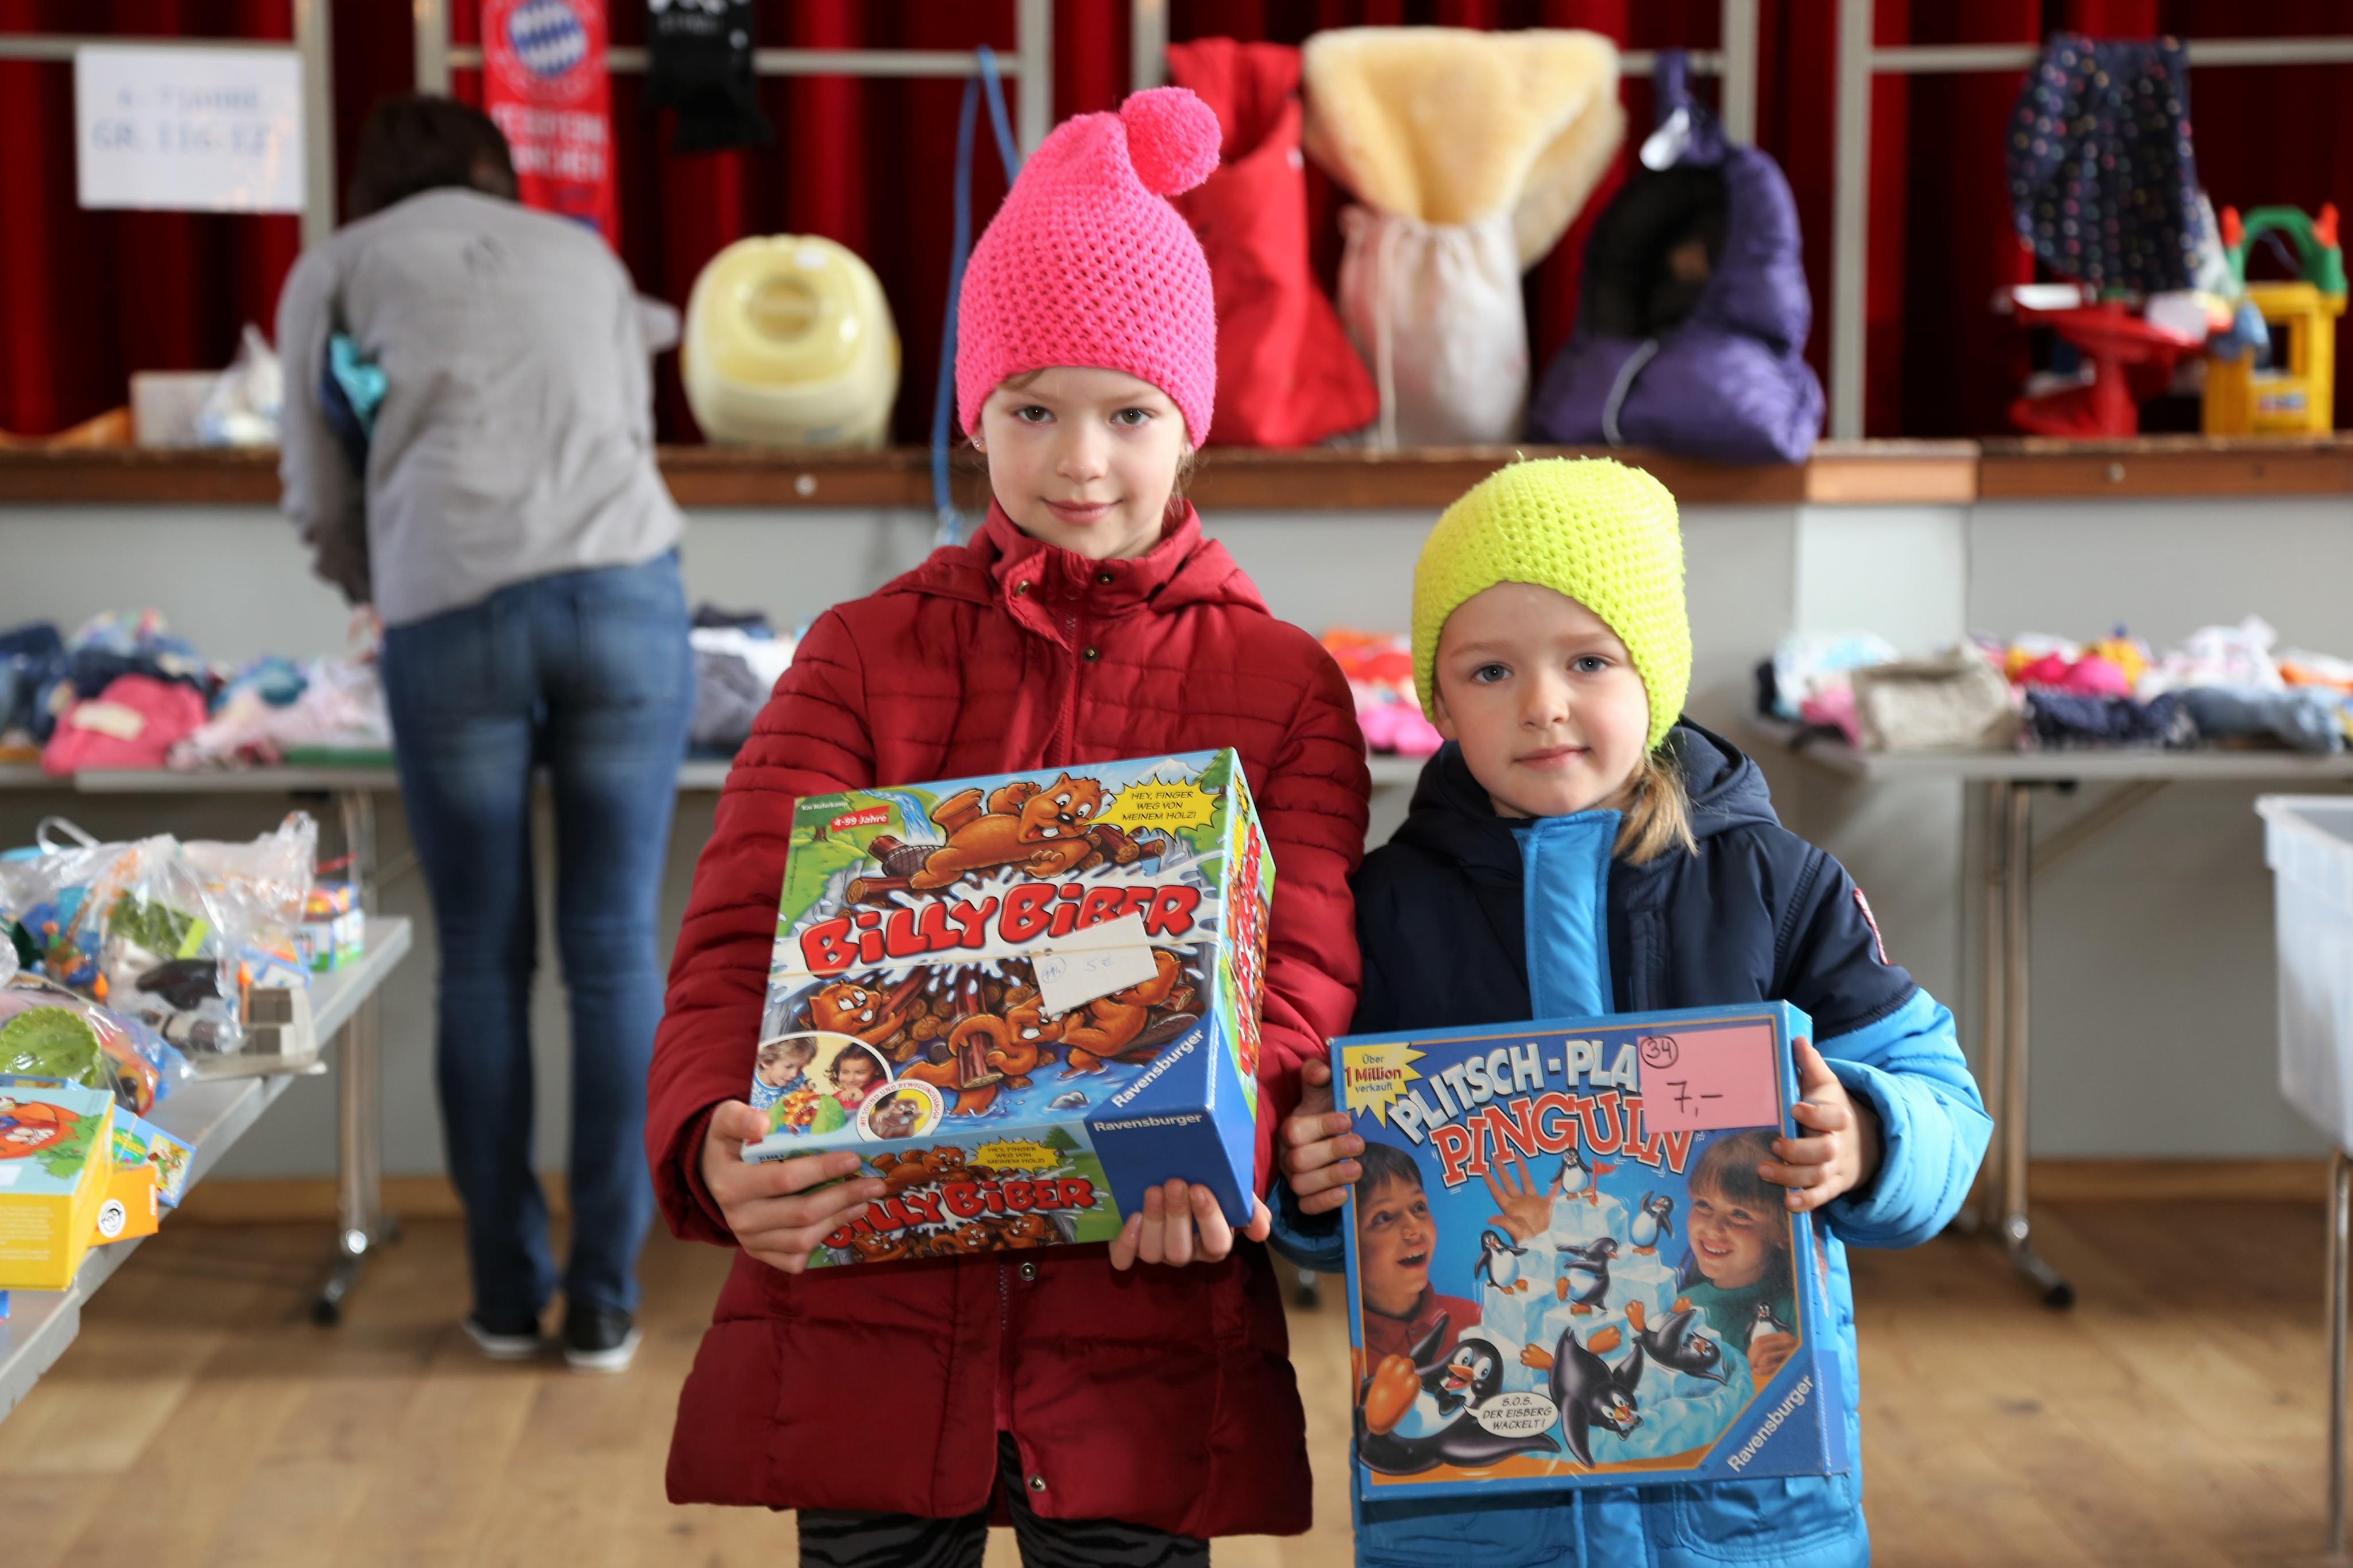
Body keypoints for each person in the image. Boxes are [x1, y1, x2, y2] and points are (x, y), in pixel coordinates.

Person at [643, 87, 1369, 1566]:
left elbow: (1300, 971)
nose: (1078, 462)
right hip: (864, 1308)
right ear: (974, 416)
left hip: (1141, 1311)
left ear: (1190, 428)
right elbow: (738, 935)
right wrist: (711, 1135)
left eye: (1128, 414)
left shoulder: (1280, 685)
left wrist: (1228, 1138)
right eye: (1031, 410)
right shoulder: (860, 656)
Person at [1272, 457, 1991, 1566]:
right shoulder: (1384, 907)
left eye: (1589, 661)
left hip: (1747, 1511)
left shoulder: (1777, 883)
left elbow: (1943, 1098)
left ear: (1655, 671)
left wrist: (1869, 1134)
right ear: (1438, 701)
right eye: (1491, 669)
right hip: (1480, 1517)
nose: (1542, 703)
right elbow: (1341, 1184)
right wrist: (1313, 1184)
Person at [276, 96, 692, 1373]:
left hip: (448, 608)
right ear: (499, 172)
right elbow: (629, 432)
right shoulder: (586, 255)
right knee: (615, 952)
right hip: (626, 594)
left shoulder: (339, 267)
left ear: (370, 180)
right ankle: (606, 1301)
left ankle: (507, 1301)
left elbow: (316, 482)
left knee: (481, 962)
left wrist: (376, 581)